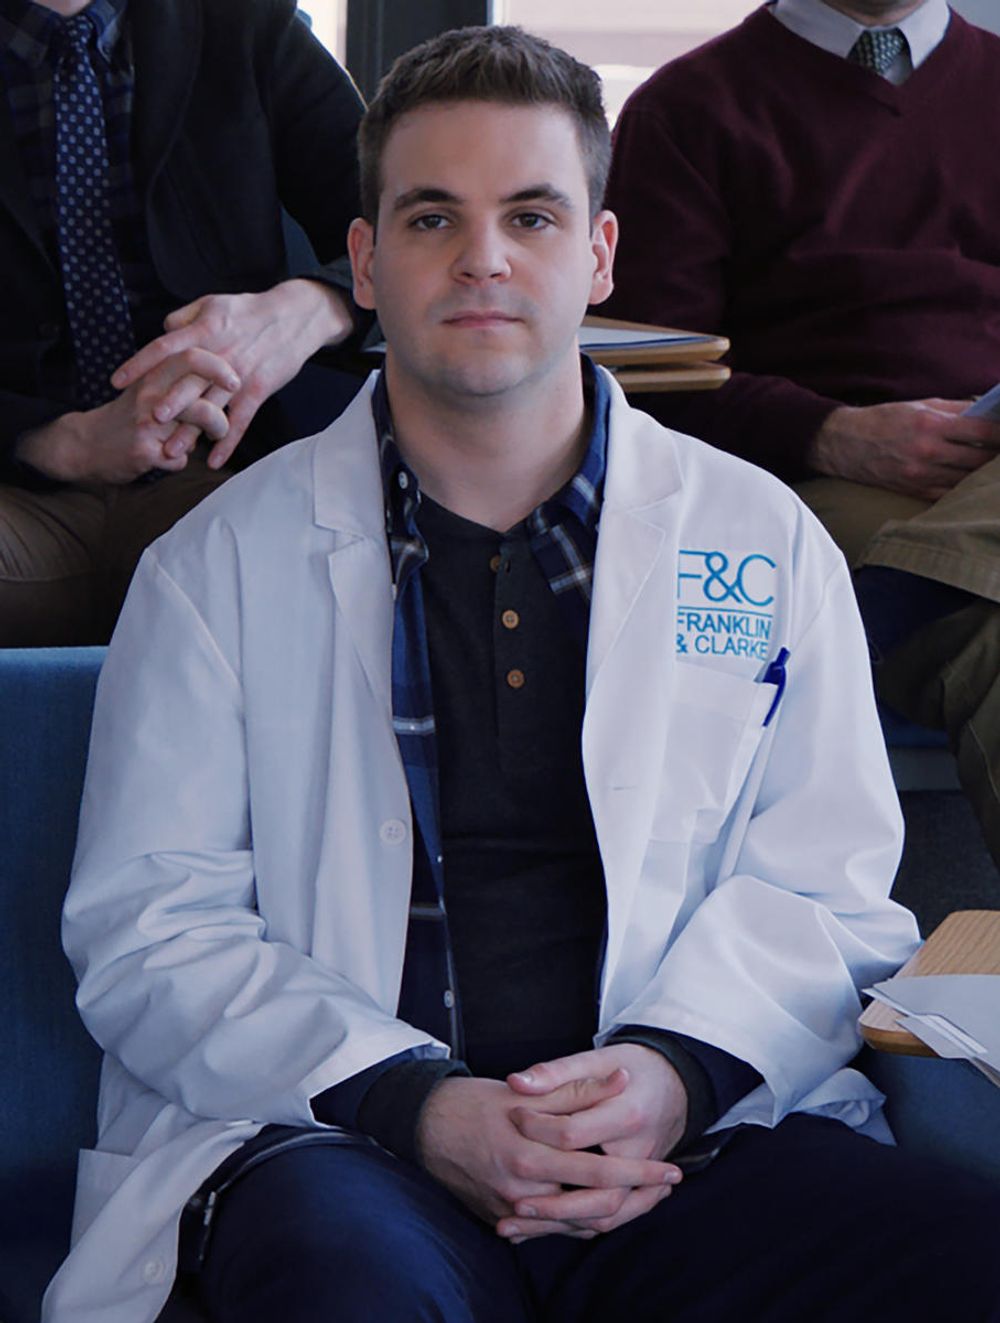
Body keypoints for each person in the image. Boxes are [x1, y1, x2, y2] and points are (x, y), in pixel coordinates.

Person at [45, 24, 1000, 1323]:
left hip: (690, 1144)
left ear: (599, 256)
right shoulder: (215, 566)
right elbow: (153, 928)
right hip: (346, 1144)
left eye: (532, 216)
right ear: (365, 263)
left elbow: (826, 886)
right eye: (433, 216)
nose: (483, 257)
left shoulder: (761, 537)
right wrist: (419, 1103)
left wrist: (671, 1072)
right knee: (340, 1287)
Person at [602, 0, 1000, 869]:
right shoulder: (688, 110)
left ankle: (912, 583)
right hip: (825, 486)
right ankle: (915, 578)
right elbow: (646, 381)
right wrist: (831, 433)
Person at [0, 0, 365, 645]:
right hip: (18, 483)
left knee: (311, 586)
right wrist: (58, 443)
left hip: (219, 468)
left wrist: (313, 305)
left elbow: (406, 223)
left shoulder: (247, 23)